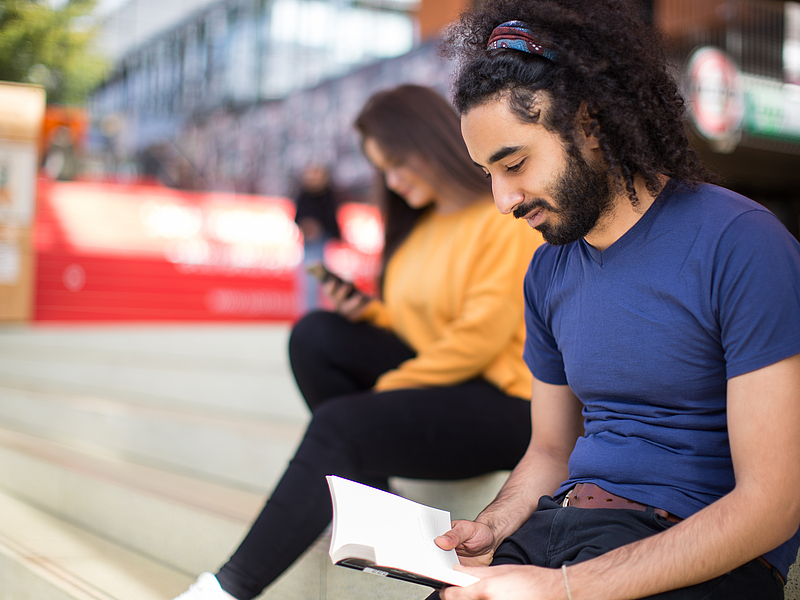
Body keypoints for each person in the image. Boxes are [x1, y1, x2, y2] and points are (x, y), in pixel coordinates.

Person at [427, 1, 800, 599]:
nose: (503, 199)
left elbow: (772, 506)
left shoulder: (742, 243)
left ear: (590, 124)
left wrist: (564, 589)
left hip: (691, 553)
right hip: (561, 532)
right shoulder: (548, 270)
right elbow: (551, 449)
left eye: (515, 162)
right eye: (487, 173)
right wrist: (495, 524)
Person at [172, 84, 543, 600]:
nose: (391, 180)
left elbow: (476, 339)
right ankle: (370, 491)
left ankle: (222, 591)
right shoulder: (420, 226)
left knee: (341, 425)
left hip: (507, 403)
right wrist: (371, 313)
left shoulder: (503, 218)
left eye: (396, 163)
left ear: (429, 144)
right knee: (316, 335)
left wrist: (382, 396)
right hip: (445, 380)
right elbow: (423, 325)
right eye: (381, 169)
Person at [293, 164, 341, 311]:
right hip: (309, 244)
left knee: (326, 281)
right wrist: (307, 227)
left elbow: (332, 219)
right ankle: (310, 311)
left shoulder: (328, 196)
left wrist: (321, 229)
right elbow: (298, 218)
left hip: (325, 243)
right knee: (308, 279)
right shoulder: (303, 196)